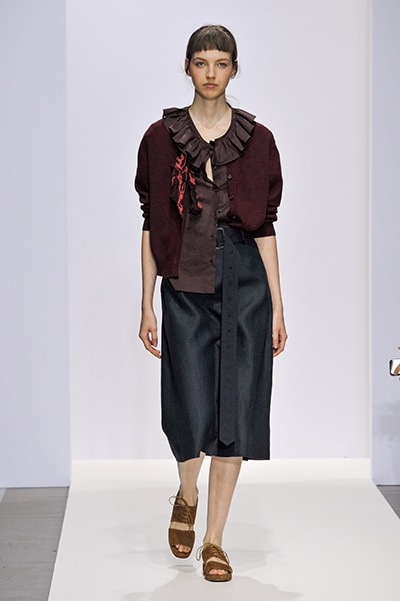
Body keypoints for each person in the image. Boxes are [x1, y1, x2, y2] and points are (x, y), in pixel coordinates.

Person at [135, 24, 287, 583]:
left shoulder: (259, 140)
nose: (211, 73)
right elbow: (152, 222)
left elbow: (265, 225)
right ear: (187, 67)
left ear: (234, 69)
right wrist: (146, 303)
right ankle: (187, 492)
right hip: (184, 283)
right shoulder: (161, 138)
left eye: (221, 63)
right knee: (190, 406)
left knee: (235, 413)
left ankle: (215, 541)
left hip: (245, 284)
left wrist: (278, 304)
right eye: (201, 62)